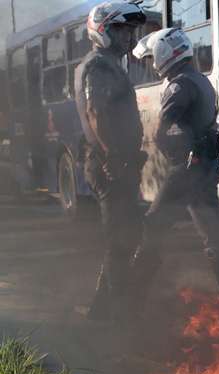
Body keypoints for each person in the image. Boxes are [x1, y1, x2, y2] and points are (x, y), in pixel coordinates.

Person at [130, 28, 219, 306]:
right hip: (207, 166)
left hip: (189, 170)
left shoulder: (178, 85)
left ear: (164, 54)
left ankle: (131, 296)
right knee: (213, 234)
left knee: (154, 224)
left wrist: (173, 158)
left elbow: (159, 132)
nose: (150, 63)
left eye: (151, 58)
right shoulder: (201, 80)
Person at [74, 1, 147, 322]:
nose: (128, 37)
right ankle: (118, 322)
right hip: (110, 164)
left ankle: (102, 314)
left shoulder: (110, 63)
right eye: (121, 29)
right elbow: (97, 112)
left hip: (118, 162)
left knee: (124, 238)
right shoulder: (99, 65)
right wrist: (116, 157)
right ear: (102, 30)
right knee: (121, 239)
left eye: (130, 31)